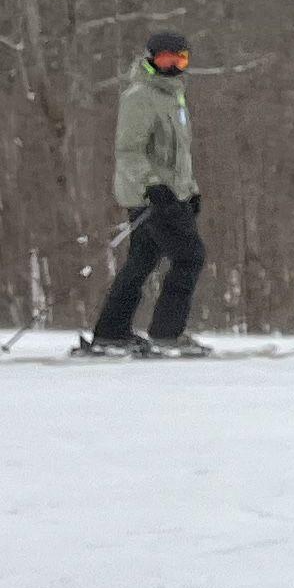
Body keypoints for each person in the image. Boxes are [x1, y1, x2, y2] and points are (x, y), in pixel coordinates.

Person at [79, 29, 209, 360]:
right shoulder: (140, 95)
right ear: (150, 59)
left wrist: (189, 190)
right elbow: (129, 151)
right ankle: (167, 333)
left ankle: (111, 331)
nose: (173, 66)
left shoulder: (175, 96)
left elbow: (179, 154)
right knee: (189, 256)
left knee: (142, 261)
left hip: (170, 194)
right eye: (166, 58)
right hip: (149, 195)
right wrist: (151, 185)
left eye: (180, 59)